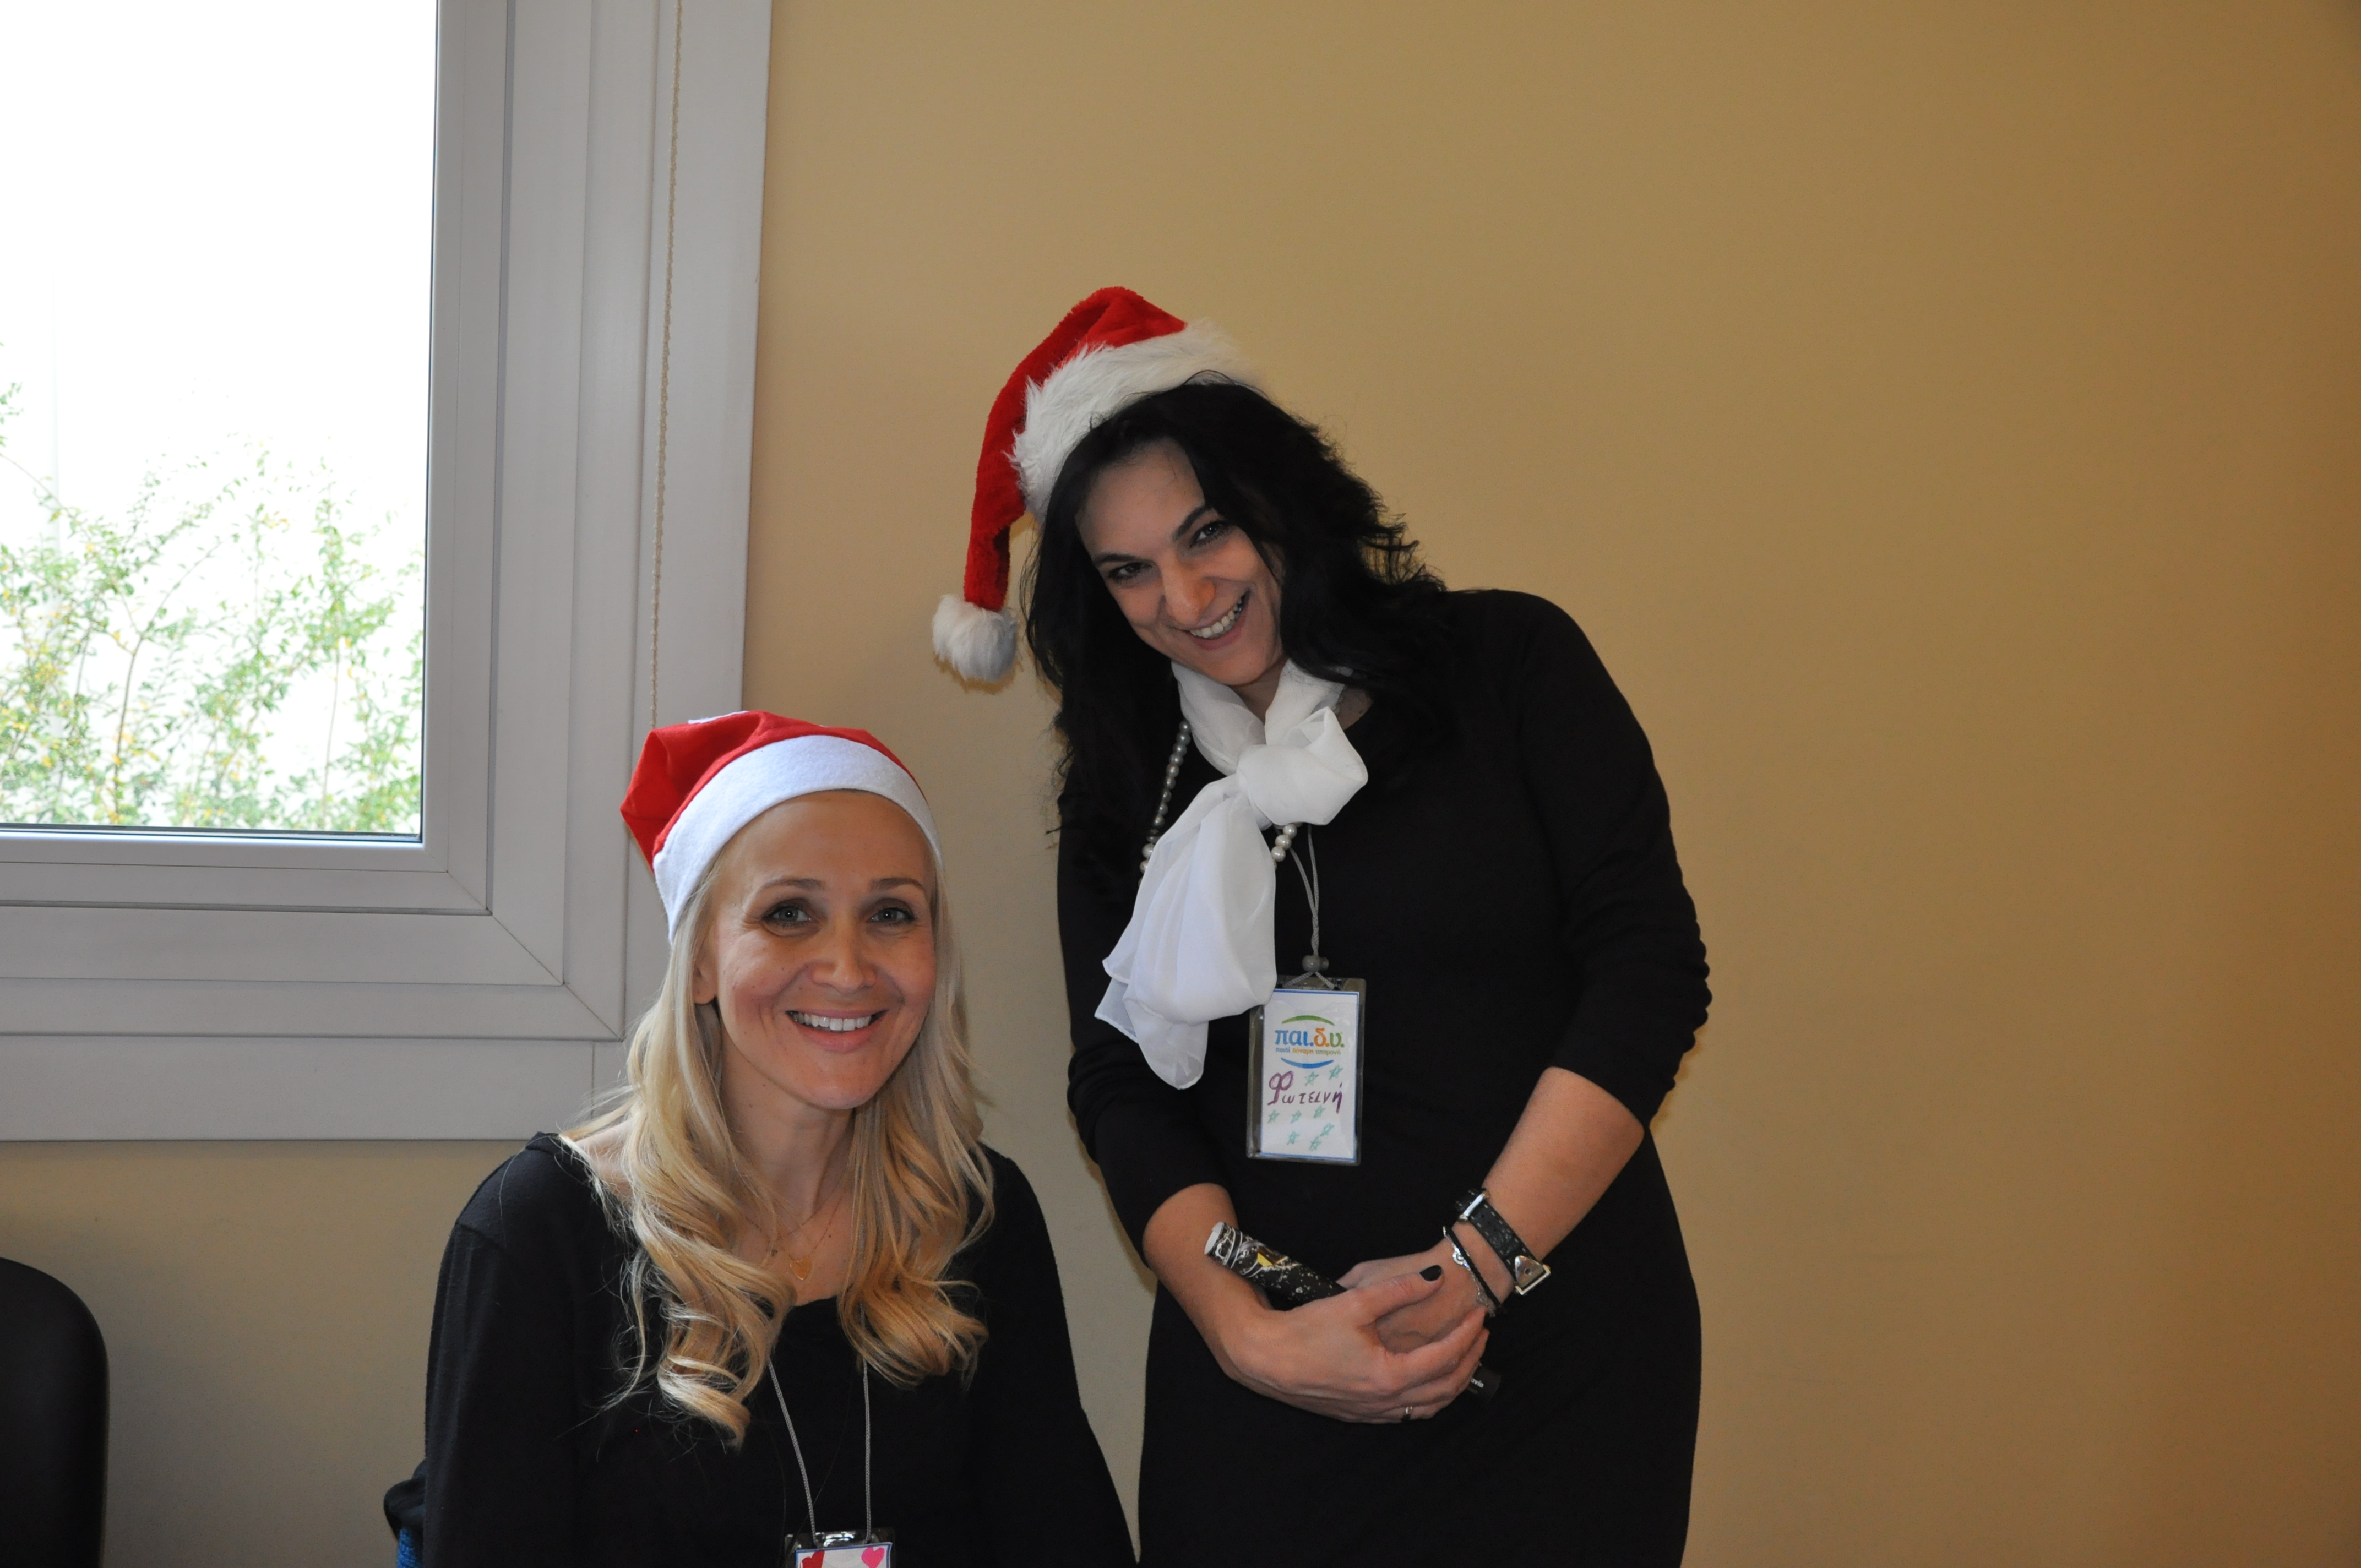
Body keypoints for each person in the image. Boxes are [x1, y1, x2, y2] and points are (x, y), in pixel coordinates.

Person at [931, 289, 1712, 1565]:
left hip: (1548, 1344)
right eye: (1128, 570)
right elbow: (1118, 1081)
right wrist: (1242, 1324)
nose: (1184, 596)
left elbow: (1648, 973)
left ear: (1280, 497)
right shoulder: (1125, 785)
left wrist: (1474, 1261)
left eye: (1206, 532)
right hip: (1266, 1374)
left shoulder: (1506, 663)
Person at [383, 712, 1135, 1567]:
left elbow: (1061, 1530)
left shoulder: (978, 1215)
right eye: (789, 914)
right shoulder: (539, 1231)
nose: (848, 968)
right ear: (700, 961)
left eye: (892, 913)